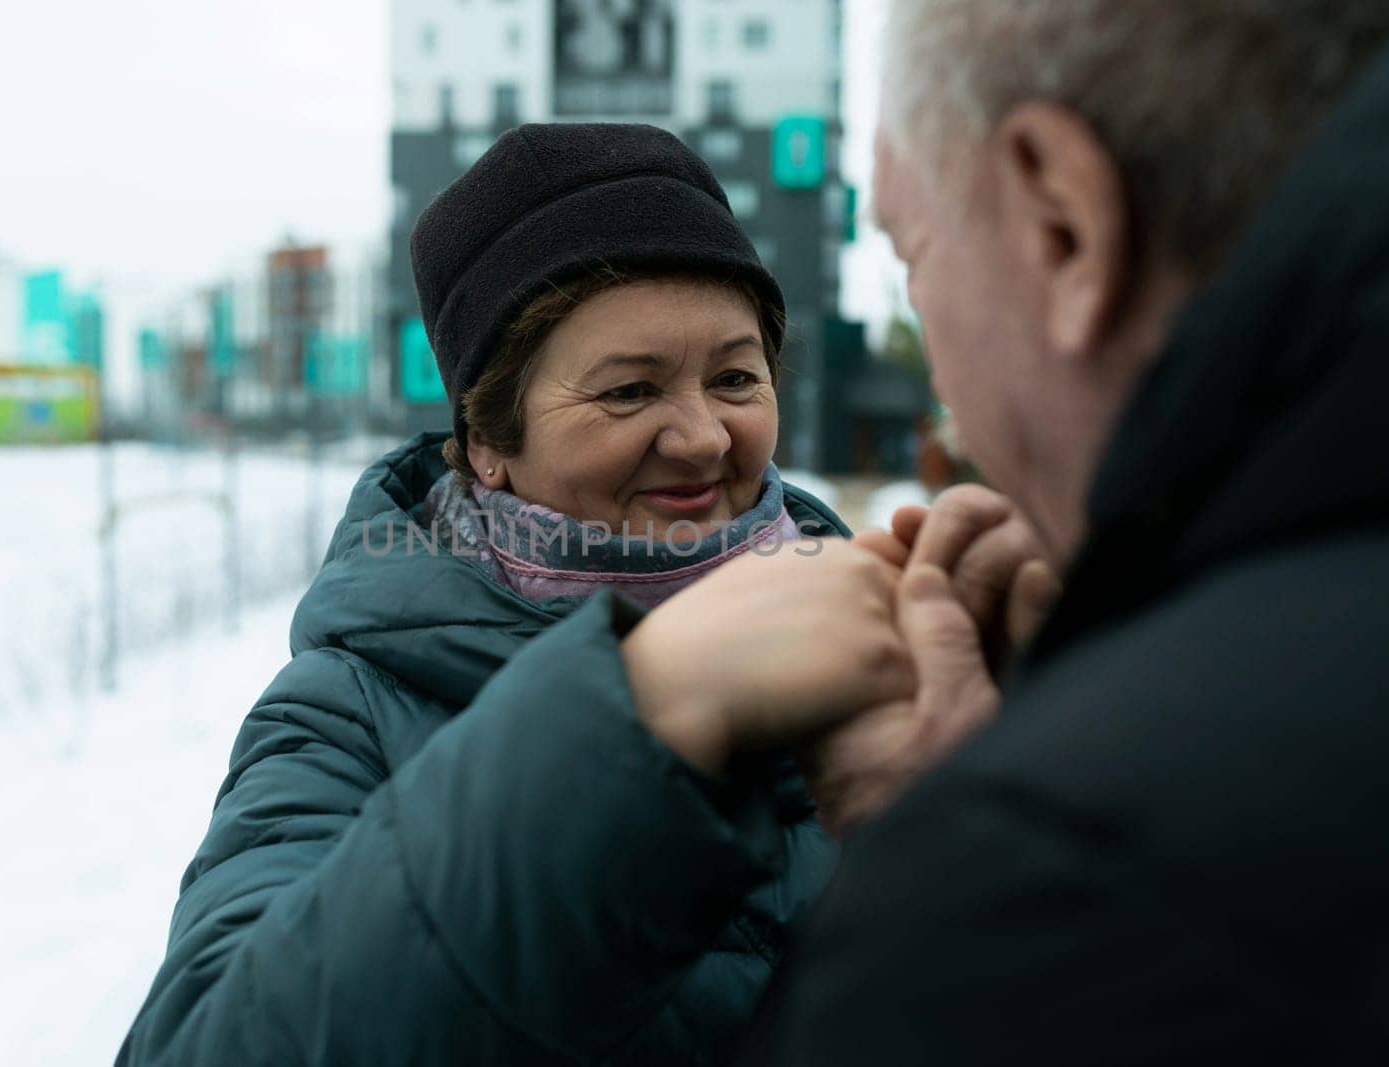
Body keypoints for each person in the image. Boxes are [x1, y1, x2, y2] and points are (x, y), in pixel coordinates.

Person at [117, 122, 965, 1066]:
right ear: (489, 438)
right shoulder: (349, 713)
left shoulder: (884, 635)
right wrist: (641, 711)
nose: (701, 437)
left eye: (734, 377)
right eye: (627, 392)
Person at [735, 3, 1389, 1063]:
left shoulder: (1051, 888)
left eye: (914, 248)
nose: (940, 385)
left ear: (1061, 224)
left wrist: (972, 843)